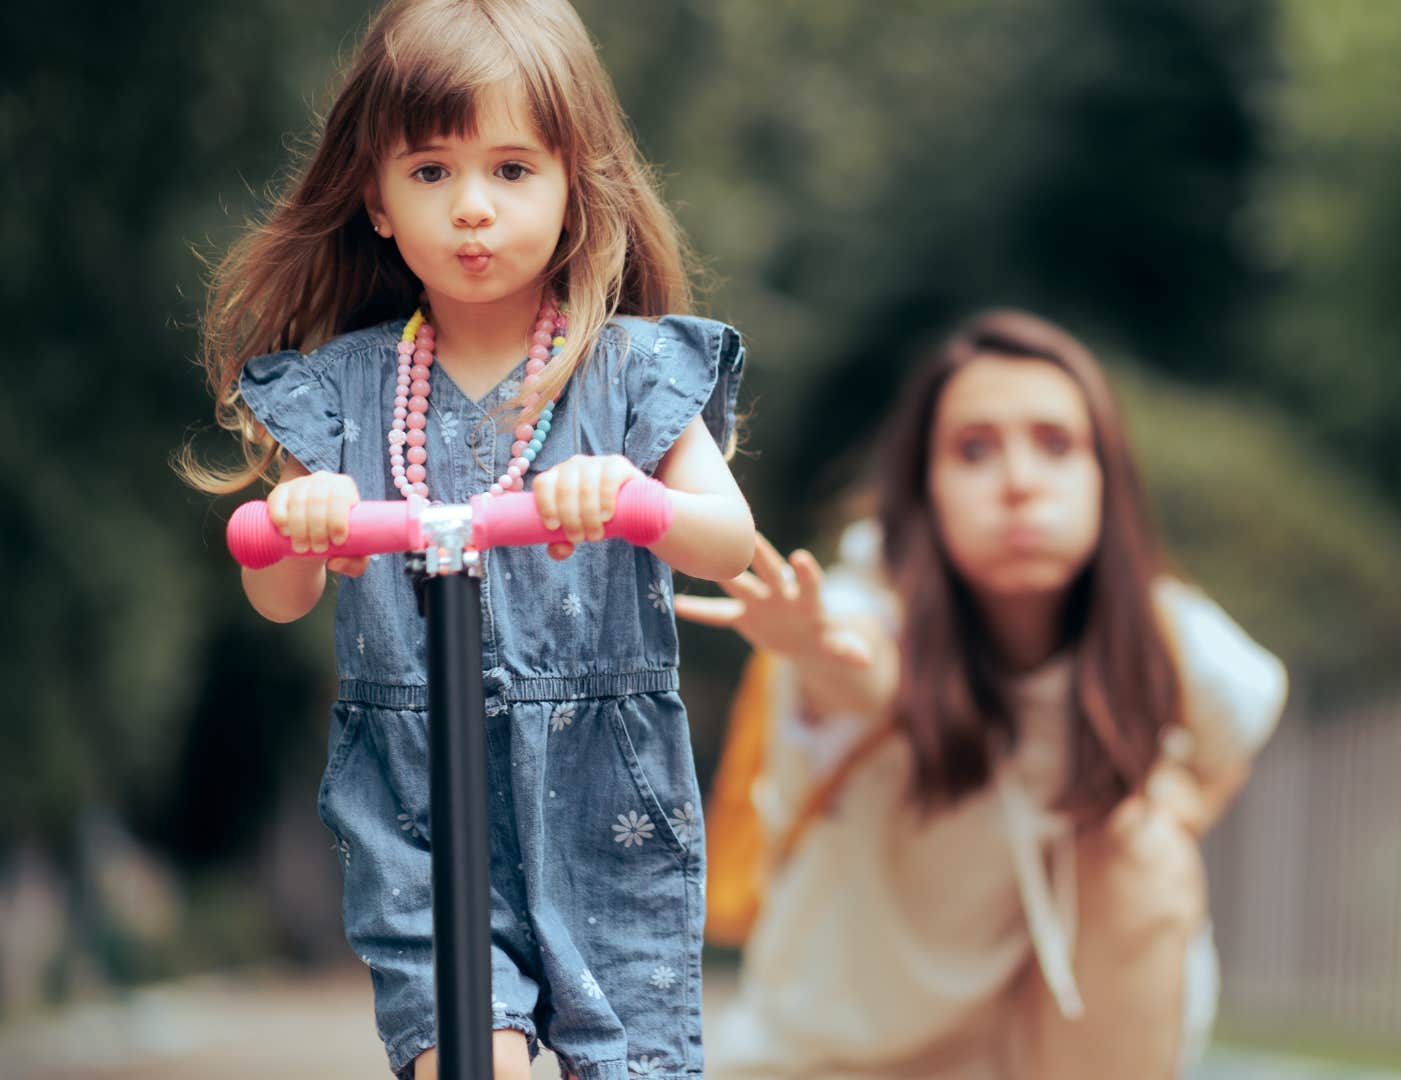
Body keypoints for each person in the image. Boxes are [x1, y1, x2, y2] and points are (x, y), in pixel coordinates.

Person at [178, 2, 755, 1076]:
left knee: (632, 1060)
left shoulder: (630, 371)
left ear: (574, 185)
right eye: (433, 172)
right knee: (463, 1058)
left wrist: (634, 496)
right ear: (379, 201)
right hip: (415, 794)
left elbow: (729, 542)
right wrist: (304, 528)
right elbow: (281, 595)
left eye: (512, 169)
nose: (474, 209)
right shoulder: (344, 391)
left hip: (603, 786)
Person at [678, 309, 1287, 1079]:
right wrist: (811, 647)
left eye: (1057, 445)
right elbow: (865, 674)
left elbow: (1253, 707)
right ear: (926, 490)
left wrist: (1171, 812)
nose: (1021, 483)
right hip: (832, 1057)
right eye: (974, 451)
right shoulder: (869, 608)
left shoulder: (1165, 636)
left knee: (1146, 843)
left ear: (1108, 479)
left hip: (1031, 1049)